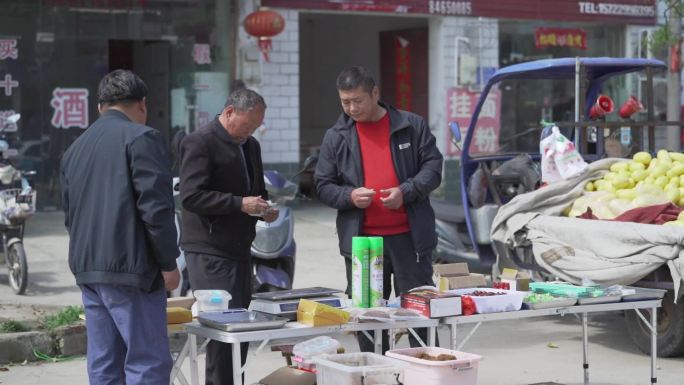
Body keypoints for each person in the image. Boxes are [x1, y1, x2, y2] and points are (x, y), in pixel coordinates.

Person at [60, 69, 180, 385]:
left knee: (104, 362)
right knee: (147, 361)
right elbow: (156, 210)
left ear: (100, 107)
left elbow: (70, 216)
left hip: (88, 269)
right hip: (132, 269)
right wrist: (168, 262)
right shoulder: (143, 138)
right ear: (142, 104)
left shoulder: (76, 148)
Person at [315, 66, 443, 352]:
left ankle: (423, 371)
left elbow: (433, 168)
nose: (351, 108)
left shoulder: (411, 125)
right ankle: (375, 373)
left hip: (411, 240)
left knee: (419, 313)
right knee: (369, 318)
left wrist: (405, 192)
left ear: (375, 93)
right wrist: (349, 196)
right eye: (345, 102)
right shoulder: (337, 136)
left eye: (357, 100)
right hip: (363, 244)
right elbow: (322, 185)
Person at [179, 88, 278, 385]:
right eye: (246, 125)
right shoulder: (199, 142)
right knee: (224, 329)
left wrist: (263, 208)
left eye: (255, 127)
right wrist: (239, 203)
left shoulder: (251, 146)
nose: (249, 133)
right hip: (208, 248)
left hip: (240, 246)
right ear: (229, 112)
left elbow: (257, 189)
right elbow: (191, 196)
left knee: (241, 328)